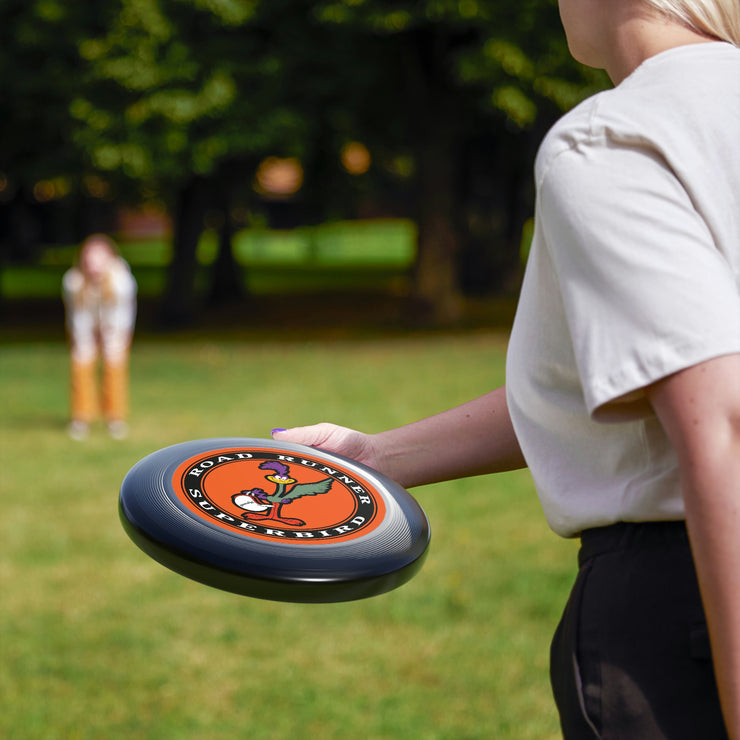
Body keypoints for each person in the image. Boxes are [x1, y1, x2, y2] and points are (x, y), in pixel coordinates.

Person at [270, 1, 740, 737]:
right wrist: (376, 457)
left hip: (688, 610)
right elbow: (629, 378)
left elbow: (723, 421)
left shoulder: (617, 138)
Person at [62, 234, 137, 440]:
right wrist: (84, 341)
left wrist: (111, 338)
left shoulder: (122, 280)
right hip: (84, 326)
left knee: (114, 366)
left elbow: (122, 314)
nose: (93, 264)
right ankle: (81, 418)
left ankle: (115, 418)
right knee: (81, 364)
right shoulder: (73, 281)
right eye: (89, 258)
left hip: (115, 327)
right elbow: (77, 315)